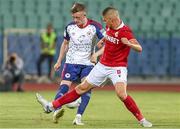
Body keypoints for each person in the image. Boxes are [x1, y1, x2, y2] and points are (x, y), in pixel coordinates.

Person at [36, 7, 152, 127]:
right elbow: (109, 39)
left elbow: (139, 48)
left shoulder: (125, 32)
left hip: (117, 67)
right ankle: (50, 106)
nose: (104, 23)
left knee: (121, 94)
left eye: (105, 20)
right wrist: (102, 41)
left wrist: (128, 43)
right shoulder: (109, 27)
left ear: (112, 19)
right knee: (81, 88)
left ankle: (142, 119)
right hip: (102, 66)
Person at [37, 3, 104, 125]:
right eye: (74, 17)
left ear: (84, 14)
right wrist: (59, 61)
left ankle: (78, 117)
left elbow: (106, 43)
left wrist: (96, 54)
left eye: (78, 17)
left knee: (86, 89)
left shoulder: (95, 26)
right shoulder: (69, 27)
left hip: (88, 64)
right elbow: (65, 43)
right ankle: (56, 111)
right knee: (64, 87)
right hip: (71, 62)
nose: (75, 20)